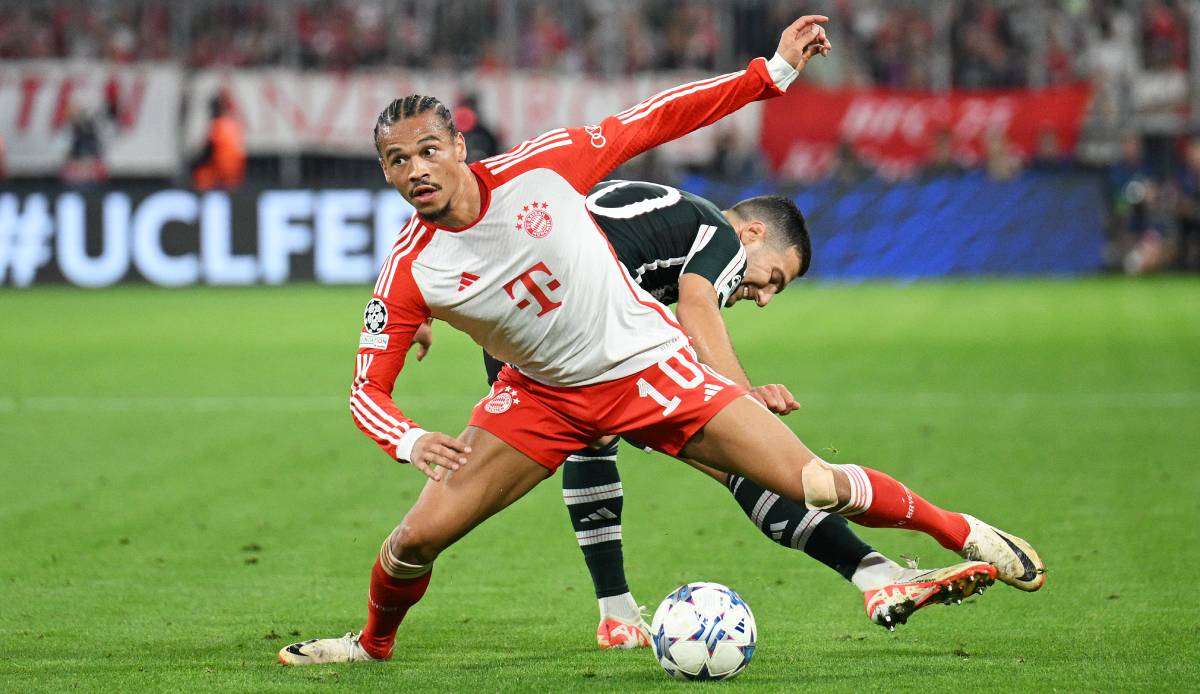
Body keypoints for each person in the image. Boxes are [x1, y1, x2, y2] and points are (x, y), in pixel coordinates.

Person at [280, 15, 1043, 666]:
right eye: (396, 161)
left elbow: (657, 117)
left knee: (808, 481)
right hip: (538, 401)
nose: (416, 170)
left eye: (426, 150)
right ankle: (374, 645)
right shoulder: (411, 271)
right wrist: (411, 442)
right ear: (384, 172)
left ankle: (963, 532)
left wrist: (768, 73)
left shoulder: (542, 169)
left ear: (457, 145)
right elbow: (364, 391)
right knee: (412, 543)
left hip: (649, 365)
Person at [402, 180, 996, 646]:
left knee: (601, 446)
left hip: (540, 339)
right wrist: (741, 398)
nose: (762, 297)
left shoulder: (657, 220)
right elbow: (697, 305)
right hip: (583, 346)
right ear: (753, 233)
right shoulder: (713, 231)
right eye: (774, 280)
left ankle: (617, 614)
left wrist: (421, 309)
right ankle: (879, 571)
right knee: (748, 461)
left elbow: (499, 241)